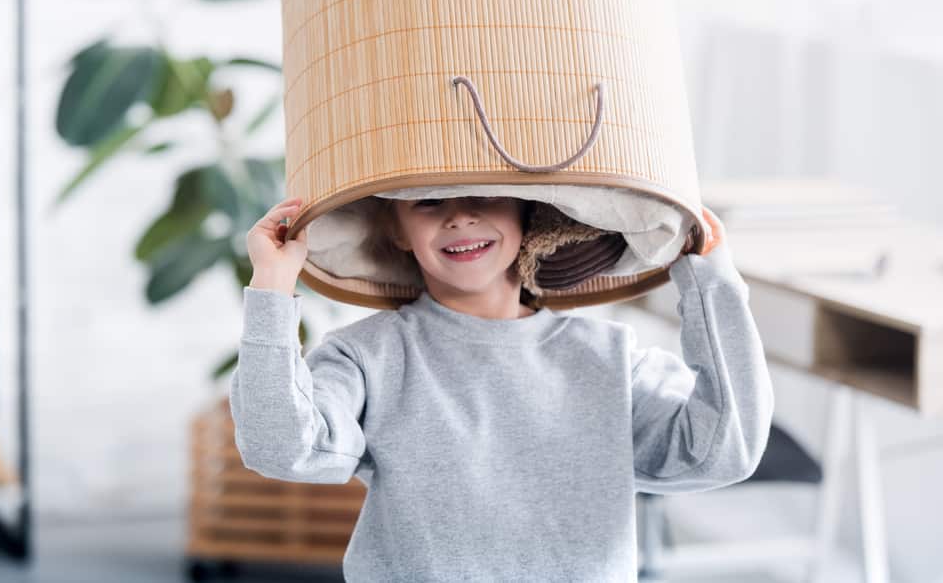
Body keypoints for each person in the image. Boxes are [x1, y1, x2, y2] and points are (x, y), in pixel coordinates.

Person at [231, 194, 774, 582]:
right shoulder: (367, 355)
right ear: (395, 229)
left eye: (484, 196)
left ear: (527, 213)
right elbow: (285, 448)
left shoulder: (611, 359)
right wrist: (272, 287)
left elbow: (723, 451)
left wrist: (713, 287)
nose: (459, 216)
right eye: (428, 202)